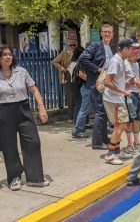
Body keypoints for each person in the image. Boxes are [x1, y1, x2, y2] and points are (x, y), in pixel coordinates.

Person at [0, 46, 49, 191]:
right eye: (4, 55)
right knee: (9, 147)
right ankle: (14, 177)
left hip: (23, 109)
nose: (8, 57)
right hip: (4, 112)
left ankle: (35, 177)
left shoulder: (21, 71)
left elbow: (33, 89)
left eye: (9, 54)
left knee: (33, 141)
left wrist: (41, 107)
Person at [73, 24, 114, 150]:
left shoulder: (109, 47)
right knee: (100, 113)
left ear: (112, 34)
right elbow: (82, 58)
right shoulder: (96, 45)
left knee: (104, 113)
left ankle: (105, 139)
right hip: (97, 83)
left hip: (105, 84)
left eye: (109, 32)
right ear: (101, 33)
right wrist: (98, 69)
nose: (107, 34)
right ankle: (97, 142)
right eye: (105, 32)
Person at [102, 39, 134, 165]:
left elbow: (115, 81)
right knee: (120, 125)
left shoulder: (121, 60)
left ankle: (117, 151)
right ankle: (110, 154)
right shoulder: (116, 61)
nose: (132, 51)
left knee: (120, 125)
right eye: (131, 48)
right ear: (124, 49)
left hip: (117, 98)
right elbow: (107, 82)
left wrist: (127, 84)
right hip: (113, 99)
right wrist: (123, 91)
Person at [121, 44, 140, 159]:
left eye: (138, 54)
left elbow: (137, 77)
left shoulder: (136, 64)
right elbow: (121, 81)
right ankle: (129, 145)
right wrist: (131, 82)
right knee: (130, 120)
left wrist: (139, 83)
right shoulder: (124, 63)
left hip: (137, 94)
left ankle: (137, 143)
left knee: (137, 119)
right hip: (129, 94)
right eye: (134, 54)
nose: (136, 56)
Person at [52, 38, 78, 123]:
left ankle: (78, 116)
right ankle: (70, 117)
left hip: (78, 77)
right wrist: (62, 68)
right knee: (70, 98)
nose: (72, 47)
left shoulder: (79, 53)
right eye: (71, 45)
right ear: (68, 46)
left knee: (78, 97)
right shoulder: (64, 53)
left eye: (74, 45)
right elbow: (55, 61)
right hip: (68, 77)